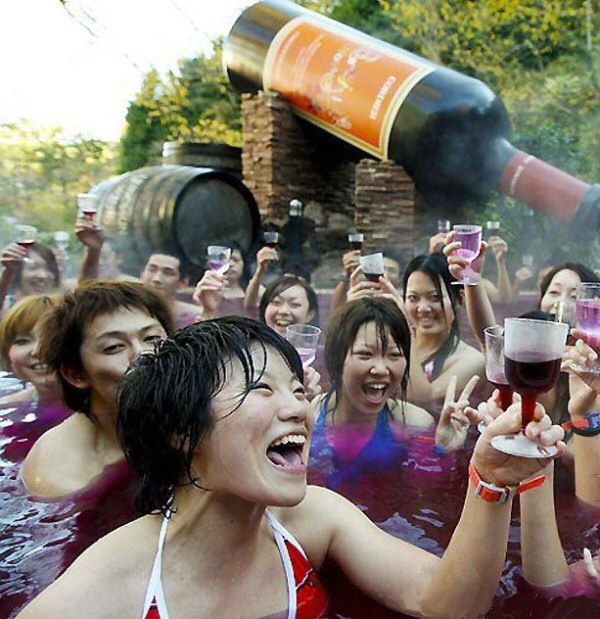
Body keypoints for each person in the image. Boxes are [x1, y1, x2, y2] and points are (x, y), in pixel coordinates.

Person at [18, 316, 565, 618]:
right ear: (182, 431)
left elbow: (443, 603)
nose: (299, 407)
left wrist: (490, 478)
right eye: (262, 389)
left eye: (299, 389)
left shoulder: (313, 518)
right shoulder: (117, 578)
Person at [20, 280, 173, 499]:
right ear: (76, 374)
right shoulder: (64, 479)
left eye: (152, 338)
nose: (144, 354)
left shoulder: (188, 416)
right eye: (114, 347)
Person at [310, 298, 478, 489]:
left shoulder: (415, 423)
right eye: (365, 354)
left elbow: (426, 494)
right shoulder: (309, 416)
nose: (381, 369)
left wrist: (443, 451)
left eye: (394, 355)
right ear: (336, 358)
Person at [0, 295, 61, 405]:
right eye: (23, 341)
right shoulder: (6, 407)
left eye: (50, 337)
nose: (37, 350)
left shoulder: (100, 406)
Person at [330, 245, 404, 312]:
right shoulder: (360, 296)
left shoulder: (404, 303)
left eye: (392, 271)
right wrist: (346, 276)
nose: (385, 275)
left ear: (399, 278)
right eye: (382, 268)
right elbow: (336, 311)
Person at [192, 241, 251, 320]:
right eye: (224, 259)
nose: (230, 264)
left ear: (244, 264)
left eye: (235, 260)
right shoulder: (202, 292)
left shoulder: (253, 291)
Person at [139, 252, 199, 328]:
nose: (157, 279)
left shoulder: (194, 319)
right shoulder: (126, 310)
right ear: (142, 274)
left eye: (167, 273)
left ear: (182, 283)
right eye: (152, 270)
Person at [0, 241, 61, 314]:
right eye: (34, 267)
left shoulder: (56, 313)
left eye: (50, 269)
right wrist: (7, 272)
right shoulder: (5, 309)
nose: (43, 275)